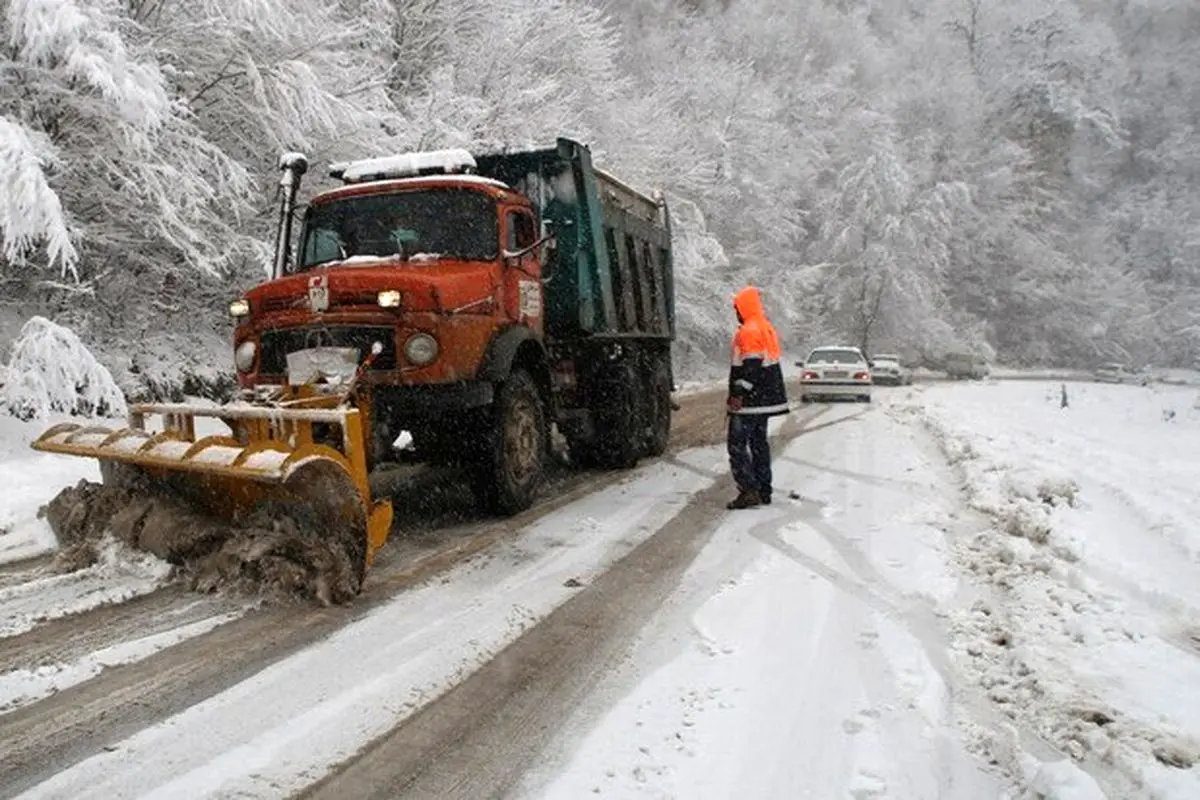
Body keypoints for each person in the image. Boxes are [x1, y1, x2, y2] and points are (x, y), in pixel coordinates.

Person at [726, 286, 789, 509]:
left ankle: (748, 489)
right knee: (759, 444)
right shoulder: (765, 328)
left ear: (744, 307)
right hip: (764, 400)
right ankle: (764, 489)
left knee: (737, 445)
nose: (736, 312)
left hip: (750, 402)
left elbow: (751, 367)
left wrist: (739, 393)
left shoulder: (749, 331)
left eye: (737, 308)